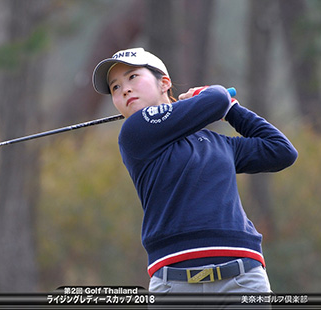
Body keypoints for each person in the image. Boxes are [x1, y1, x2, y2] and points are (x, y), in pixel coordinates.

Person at [92, 47, 298, 293]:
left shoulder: (218, 143)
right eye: (115, 87)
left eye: (133, 77)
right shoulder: (135, 132)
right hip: (174, 281)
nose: (124, 89)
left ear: (164, 83)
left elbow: (281, 150)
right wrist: (216, 99)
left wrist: (233, 110)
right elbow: (217, 99)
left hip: (242, 275)